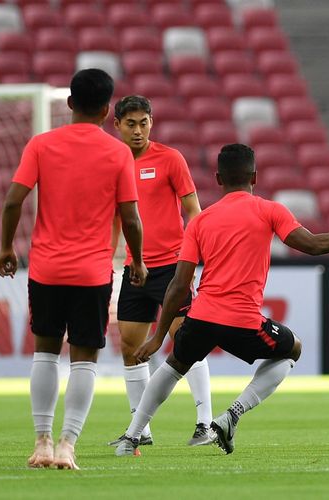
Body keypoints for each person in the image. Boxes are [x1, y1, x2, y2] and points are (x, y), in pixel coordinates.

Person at [113, 144, 329, 456]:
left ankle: (131, 438)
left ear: (217, 179)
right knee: (292, 349)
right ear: (254, 176)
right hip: (243, 322)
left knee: (174, 366)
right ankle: (232, 415)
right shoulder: (270, 210)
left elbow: (178, 284)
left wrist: (158, 337)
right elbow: (315, 245)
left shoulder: (200, 222)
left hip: (201, 317)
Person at [0, 69, 147, 470]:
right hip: (93, 273)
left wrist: (7, 247)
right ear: (106, 109)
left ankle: (41, 442)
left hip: (46, 269)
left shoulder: (42, 144)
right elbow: (130, 218)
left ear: (68, 104)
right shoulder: (118, 153)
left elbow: (12, 201)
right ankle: (67, 445)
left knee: (44, 354)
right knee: (84, 360)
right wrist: (139, 260)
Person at [107, 95, 214, 448]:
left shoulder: (170, 159)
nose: (138, 131)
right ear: (117, 125)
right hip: (133, 270)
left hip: (172, 266)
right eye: (131, 124)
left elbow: (193, 211)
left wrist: (197, 256)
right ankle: (141, 431)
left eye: (144, 123)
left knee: (188, 342)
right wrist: (107, 260)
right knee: (130, 348)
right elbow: (112, 220)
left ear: (151, 123)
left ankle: (204, 423)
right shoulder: (112, 163)